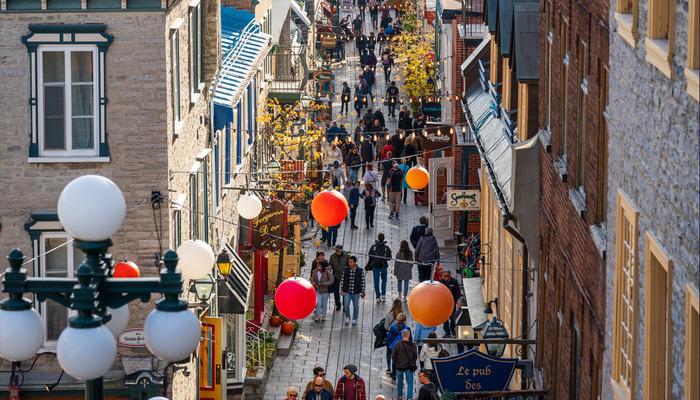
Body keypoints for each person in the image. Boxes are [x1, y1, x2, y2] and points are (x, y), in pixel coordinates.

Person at [392, 329, 418, 400]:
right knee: (410, 382)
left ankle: (400, 395)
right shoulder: (412, 345)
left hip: (399, 367)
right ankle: (409, 397)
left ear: (402, 335)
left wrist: (396, 363)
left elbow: (393, 356)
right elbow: (415, 356)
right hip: (409, 367)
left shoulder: (397, 344)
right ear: (409, 335)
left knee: (400, 382)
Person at [340, 256, 365, 326]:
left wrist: (363, 291)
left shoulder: (360, 271)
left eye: (351, 262)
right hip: (347, 291)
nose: (350, 263)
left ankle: (354, 318)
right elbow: (342, 280)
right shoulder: (346, 270)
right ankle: (347, 317)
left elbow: (362, 281)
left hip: (356, 292)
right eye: (349, 262)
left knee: (355, 306)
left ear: (355, 262)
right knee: (346, 306)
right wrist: (342, 289)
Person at [367, 233, 392, 302]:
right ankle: (383, 295)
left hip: (375, 266)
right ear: (383, 238)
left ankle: (378, 297)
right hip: (384, 266)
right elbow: (389, 258)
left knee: (376, 282)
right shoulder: (386, 248)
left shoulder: (373, 247)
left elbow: (370, 255)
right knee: (384, 281)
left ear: (378, 238)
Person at [310, 257, 334, 322]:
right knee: (318, 303)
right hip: (318, 290)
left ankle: (324, 316)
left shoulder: (327, 272)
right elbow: (312, 280)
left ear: (322, 267)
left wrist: (324, 284)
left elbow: (331, 280)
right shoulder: (314, 272)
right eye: (317, 265)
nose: (317, 266)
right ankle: (318, 316)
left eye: (319, 265)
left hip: (325, 291)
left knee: (324, 304)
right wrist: (315, 284)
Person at [439, 270, 461, 337]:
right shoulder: (441, 282)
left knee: (452, 318)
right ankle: (447, 332)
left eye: (447, 276)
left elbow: (458, 292)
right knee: (445, 319)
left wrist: (456, 300)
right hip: (443, 304)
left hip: (452, 304)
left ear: (449, 275)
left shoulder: (454, 282)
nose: (445, 277)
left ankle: (453, 330)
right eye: (444, 276)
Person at [383, 299, 403, 374]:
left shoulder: (388, 315)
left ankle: (389, 368)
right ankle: (396, 367)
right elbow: (405, 327)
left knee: (389, 352)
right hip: (399, 338)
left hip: (390, 336)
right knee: (398, 353)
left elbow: (385, 327)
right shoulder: (402, 316)